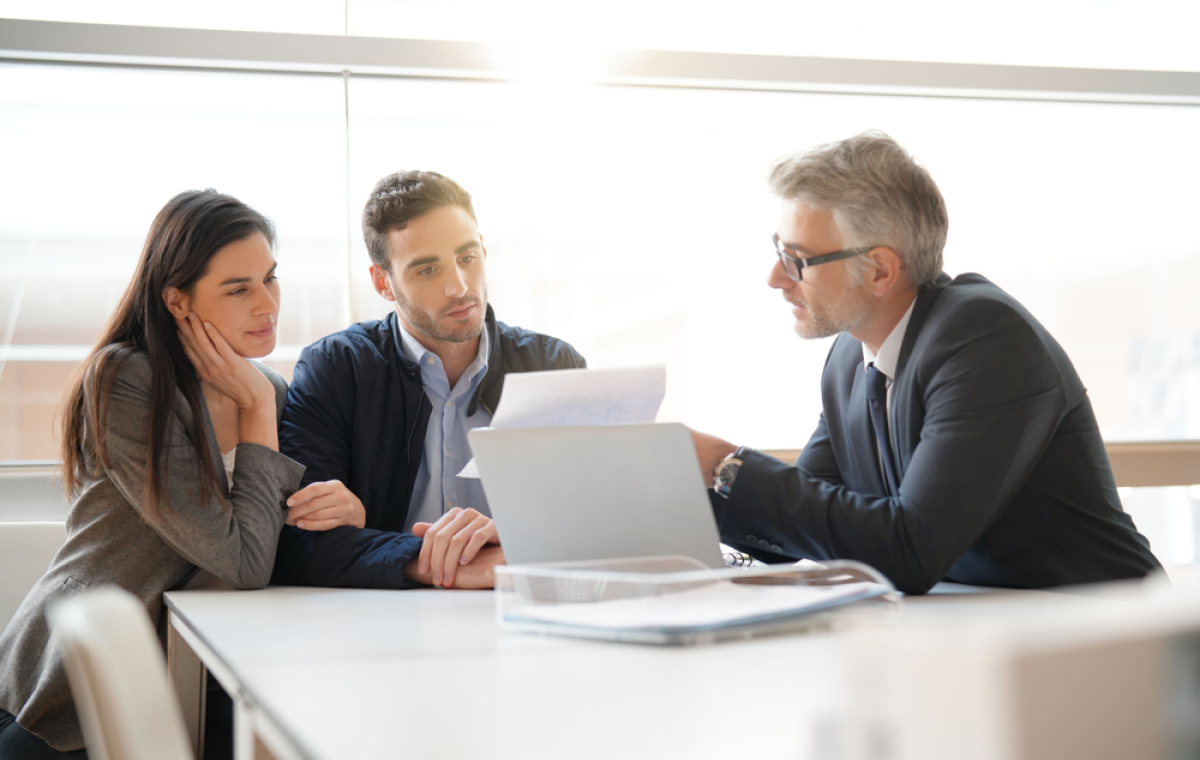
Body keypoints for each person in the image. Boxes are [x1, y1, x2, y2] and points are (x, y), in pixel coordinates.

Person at [691, 132, 1162, 595]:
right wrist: (686, 478)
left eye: (797, 259)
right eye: (779, 250)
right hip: (986, 625)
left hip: (1109, 632)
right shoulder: (849, 362)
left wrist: (729, 467)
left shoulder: (985, 338)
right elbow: (800, 522)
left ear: (880, 271)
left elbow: (910, 550)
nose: (775, 277)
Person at [0, 190, 307, 760]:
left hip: (188, 683)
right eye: (238, 288)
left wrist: (335, 508)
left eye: (271, 279)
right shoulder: (127, 378)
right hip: (61, 702)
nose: (268, 305)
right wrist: (259, 408)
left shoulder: (263, 386)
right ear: (176, 300)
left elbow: (272, 540)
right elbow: (243, 562)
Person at [271, 170, 585, 590]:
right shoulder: (336, 370)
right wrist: (431, 563)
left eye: (467, 258)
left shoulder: (554, 366)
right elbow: (296, 542)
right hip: (382, 621)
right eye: (427, 270)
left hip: (524, 610)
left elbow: (594, 523)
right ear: (384, 282)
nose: (458, 287)